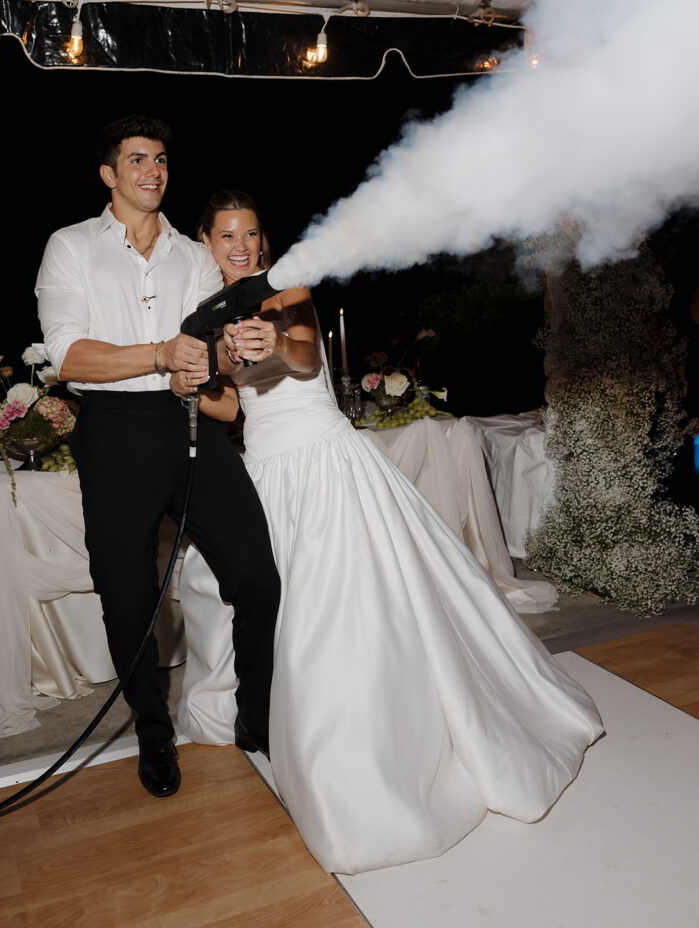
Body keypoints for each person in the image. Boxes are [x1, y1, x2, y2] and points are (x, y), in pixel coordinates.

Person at [173, 189, 604, 875]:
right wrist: (192, 382)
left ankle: (361, 764)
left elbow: (306, 358)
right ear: (204, 241)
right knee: (246, 593)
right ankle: (270, 715)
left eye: (251, 232)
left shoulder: (286, 287)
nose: (240, 245)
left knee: (338, 609)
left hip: (324, 464)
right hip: (264, 473)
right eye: (226, 234)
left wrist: (273, 341)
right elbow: (228, 400)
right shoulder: (198, 317)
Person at [35, 120, 280, 799]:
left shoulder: (192, 257)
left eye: (162, 159)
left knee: (256, 573)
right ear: (109, 174)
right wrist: (157, 355)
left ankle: (256, 711)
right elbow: (66, 354)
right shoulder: (70, 247)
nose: (153, 169)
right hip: (113, 429)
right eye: (136, 159)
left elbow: (214, 351)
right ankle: (151, 727)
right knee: (127, 595)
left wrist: (232, 351)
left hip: (186, 420)